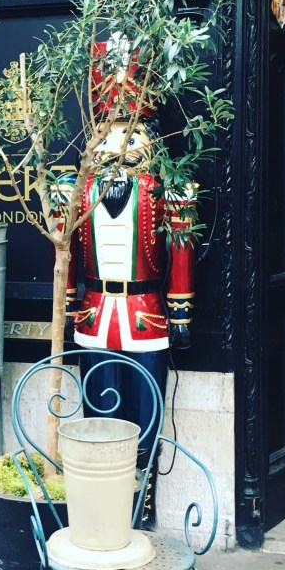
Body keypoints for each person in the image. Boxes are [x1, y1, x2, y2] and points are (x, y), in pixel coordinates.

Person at [68, 111, 196, 526]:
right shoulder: (77, 190)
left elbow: (181, 252)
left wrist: (181, 312)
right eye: (109, 134)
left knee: (146, 414)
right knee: (99, 415)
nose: (119, 145)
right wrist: (68, 303)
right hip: (95, 315)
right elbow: (65, 252)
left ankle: (142, 508)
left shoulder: (168, 191)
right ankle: (103, 508)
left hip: (146, 318)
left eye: (131, 134)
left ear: (150, 142)